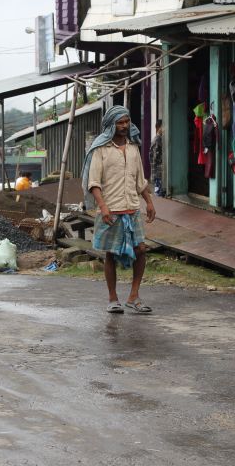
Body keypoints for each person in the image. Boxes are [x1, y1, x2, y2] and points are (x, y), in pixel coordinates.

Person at [82, 105, 156, 314]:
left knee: (141, 249)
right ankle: (113, 298)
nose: (124, 126)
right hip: (110, 210)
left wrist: (149, 202)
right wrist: (103, 206)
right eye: (120, 122)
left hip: (132, 208)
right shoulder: (100, 150)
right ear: (110, 125)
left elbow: (140, 181)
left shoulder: (133, 148)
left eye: (126, 122)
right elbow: (94, 182)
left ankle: (134, 296)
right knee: (111, 254)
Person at [149, 119, 164, 196]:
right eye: (163, 127)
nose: (165, 129)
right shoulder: (157, 139)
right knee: (158, 193)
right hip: (158, 171)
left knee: (159, 192)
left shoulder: (159, 139)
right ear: (158, 128)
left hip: (158, 171)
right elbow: (155, 157)